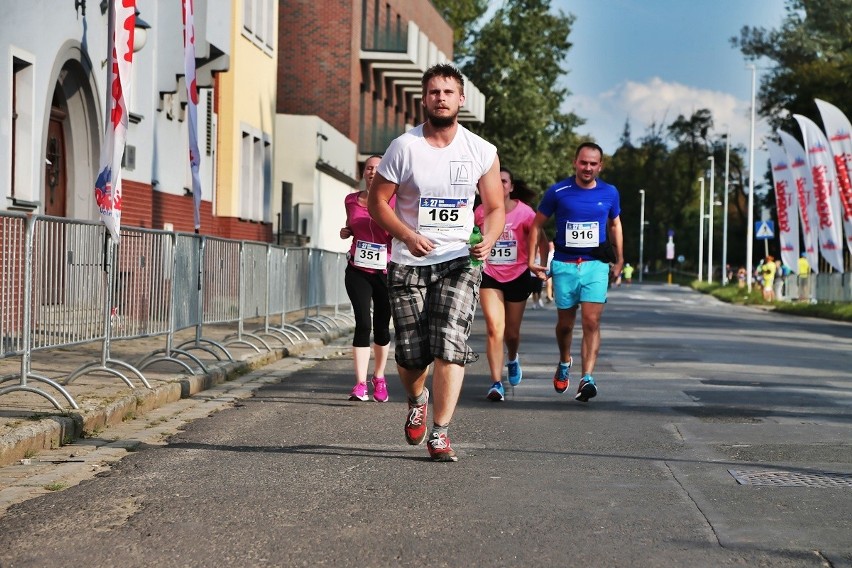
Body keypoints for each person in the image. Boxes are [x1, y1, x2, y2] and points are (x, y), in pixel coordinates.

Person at [368, 63, 504, 462]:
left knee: (450, 343)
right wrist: (408, 235)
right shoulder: (404, 147)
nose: (440, 98)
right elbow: (377, 202)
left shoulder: (481, 150)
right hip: (409, 259)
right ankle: (417, 398)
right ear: (424, 99)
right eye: (434, 92)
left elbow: (495, 207)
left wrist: (489, 240)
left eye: (448, 92)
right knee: (411, 353)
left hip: (459, 259)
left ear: (461, 100)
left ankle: (441, 433)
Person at [528, 141, 623, 403]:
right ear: (575, 162)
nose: (588, 168)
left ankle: (588, 377)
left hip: (595, 264)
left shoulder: (610, 192)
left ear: (600, 166)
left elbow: (616, 225)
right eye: (584, 162)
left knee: (592, 321)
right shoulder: (559, 191)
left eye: (593, 164)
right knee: (565, 325)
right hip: (565, 265)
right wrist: (534, 259)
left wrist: (620, 259)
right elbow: (536, 226)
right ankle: (564, 360)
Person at [475, 167, 548, 402]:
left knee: (512, 333)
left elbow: (543, 241)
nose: (500, 185)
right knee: (494, 329)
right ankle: (496, 383)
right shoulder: (479, 212)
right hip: (490, 274)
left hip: (518, 275)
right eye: (495, 181)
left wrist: (542, 266)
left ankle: (513, 357)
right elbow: (470, 238)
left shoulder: (525, 213)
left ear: (511, 186)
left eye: (504, 181)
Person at [339, 155, 394, 402]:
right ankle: (360, 383)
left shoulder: (395, 200)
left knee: (382, 327)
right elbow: (353, 225)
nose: (373, 172)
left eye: (378, 168)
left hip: (386, 271)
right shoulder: (351, 200)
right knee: (363, 323)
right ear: (363, 173)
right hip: (358, 268)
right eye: (369, 168)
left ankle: (379, 377)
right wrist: (347, 230)